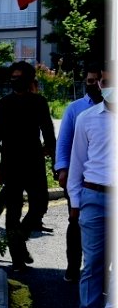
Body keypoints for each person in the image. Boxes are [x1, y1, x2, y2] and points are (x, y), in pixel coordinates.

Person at [0, 61, 56, 272]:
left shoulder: (39, 103)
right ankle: (17, 259)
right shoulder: (2, 105)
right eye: (13, 77)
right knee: (13, 212)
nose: (15, 81)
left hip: (35, 164)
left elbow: (49, 135)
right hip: (10, 165)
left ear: (28, 80)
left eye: (19, 77)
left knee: (40, 205)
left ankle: (19, 238)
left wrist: (52, 158)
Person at [66, 69, 112, 308]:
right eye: (107, 82)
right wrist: (74, 199)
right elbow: (77, 161)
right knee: (92, 264)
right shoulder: (86, 118)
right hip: (94, 196)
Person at [54, 65, 103, 282]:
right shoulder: (75, 109)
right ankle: (73, 266)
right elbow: (64, 142)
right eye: (89, 81)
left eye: (96, 80)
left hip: (104, 180)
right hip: (79, 179)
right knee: (75, 223)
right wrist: (62, 169)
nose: (93, 84)